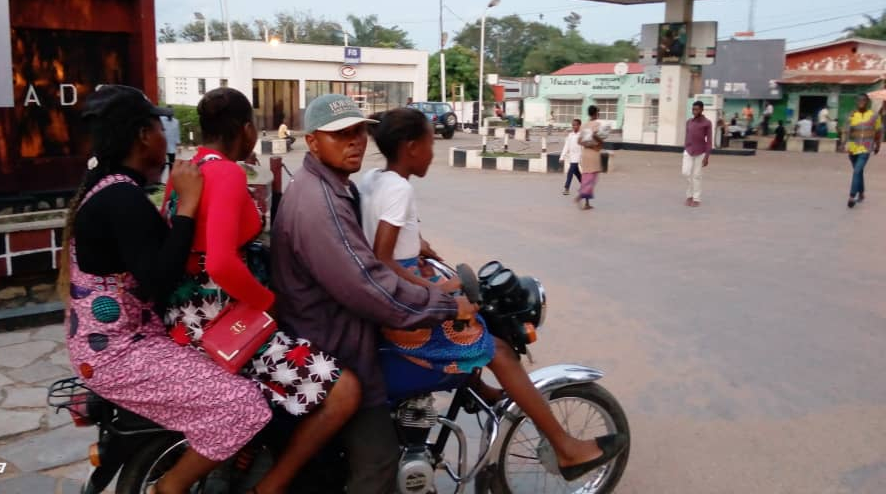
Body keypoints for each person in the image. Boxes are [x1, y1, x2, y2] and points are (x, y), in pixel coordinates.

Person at [360, 108, 628, 482]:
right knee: (498, 350)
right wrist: (438, 290)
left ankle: (478, 388)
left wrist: (419, 245)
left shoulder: (373, 178)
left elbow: (380, 235)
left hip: (394, 302)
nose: (434, 153)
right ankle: (567, 449)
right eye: (429, 144)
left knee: (475, 324)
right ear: (410, 148)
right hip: (404, 316)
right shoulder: (400, 189)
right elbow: (383, 260)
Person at [57, 85, 270, 494]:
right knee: (242, 404)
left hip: (123, 343)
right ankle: (168, 488)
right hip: (122, 354)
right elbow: (159, 279)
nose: (164, 138)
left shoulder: (113, 191)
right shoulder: (121, 199)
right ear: (142, 135)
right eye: (158, 127)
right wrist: (188, 204)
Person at [270, 94, 477, 494]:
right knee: (379, 460)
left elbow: (371, 259)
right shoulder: (321, 204)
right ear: (312, 142)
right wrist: (446, 306)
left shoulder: (335, 186)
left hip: (331, 329)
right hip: (335, 344)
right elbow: (371, 286)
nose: (355, 142)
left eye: (358, 131)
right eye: (340, 135)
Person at [161, 88, 361, 494]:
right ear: (246, 130)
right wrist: (267, 302)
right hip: (218, 319)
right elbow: (219, 262)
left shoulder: (187, 169)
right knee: (344, 391)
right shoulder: (227, 173)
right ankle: (269, 488)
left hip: (185, 316)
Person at [843, 93, 882, 208]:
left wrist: (878, 145)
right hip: (853, 148)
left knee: (856, 171)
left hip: (866, 147)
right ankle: (862, 193)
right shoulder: (852, 115)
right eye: (859, 100)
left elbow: (879, 131)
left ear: (867, 102)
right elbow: (847, 132)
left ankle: (852, 196)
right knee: (858, 171)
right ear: (856, 102)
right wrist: (844, 145)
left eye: (864, 100)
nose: (861, 102)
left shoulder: (874, 116)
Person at [683, 101, 712, 207]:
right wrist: (686, 146)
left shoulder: (707, 123)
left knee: (696, 176)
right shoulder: (689, 122)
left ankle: (695, 198)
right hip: (688, 151)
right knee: (686, 173)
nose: (694, 111)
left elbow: (709, 141)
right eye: (693, 109)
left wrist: (707, 156)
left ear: (702, 110)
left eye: (696, 109)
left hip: (700, 152)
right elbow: (687, 135)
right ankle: (690, 194)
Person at [576, 106, 604, 210]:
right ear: (596, 113)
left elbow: (579, 141)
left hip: (585, 153)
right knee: (592, 178)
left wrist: (587, 144)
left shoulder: (583, 125)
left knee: (586, 177)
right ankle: (581, 195)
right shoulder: (597, 124)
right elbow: (599, 138)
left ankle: (587, 203)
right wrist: (598, 142)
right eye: (598, 112)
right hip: (594, 153)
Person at [560, 119, 583, 195]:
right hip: (572, 156)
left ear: (579, 125)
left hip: (578, 156)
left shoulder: (582, 135)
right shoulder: (570, 135)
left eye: (576, 125)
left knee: (570, 171)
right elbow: (566, 146)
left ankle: (567, 188)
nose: (574, 126)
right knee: (576, 172)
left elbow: (584, 147)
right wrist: (562, 157)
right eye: (573, 125)